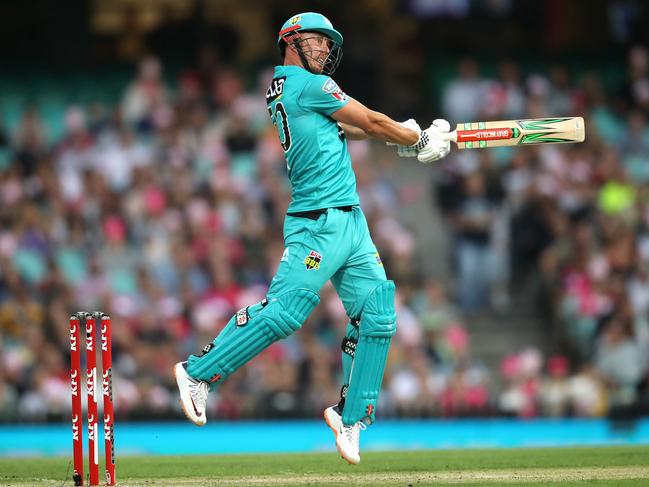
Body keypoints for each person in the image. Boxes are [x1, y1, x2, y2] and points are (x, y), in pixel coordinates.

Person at [174, 11, 451, 464]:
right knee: (286, 312)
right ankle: (198, 373)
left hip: (351, 222)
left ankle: (352, 416)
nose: (326, 48)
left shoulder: (289, 90)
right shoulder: (307, 86)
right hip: (318, 222)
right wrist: (414, 139)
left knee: (378, 312)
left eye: (328, 42)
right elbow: (371, 121)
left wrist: (407, 137)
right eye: (319, 40)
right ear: (292, 41)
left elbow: (354, 128)